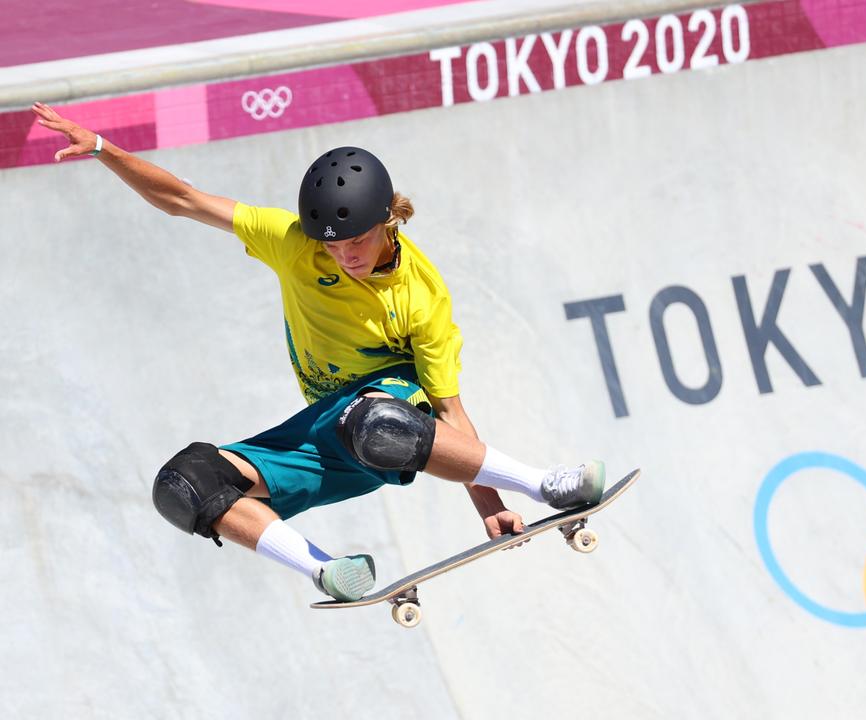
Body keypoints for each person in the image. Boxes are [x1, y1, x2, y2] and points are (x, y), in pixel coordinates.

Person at [32, 101, 606, 602]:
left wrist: (490, 503)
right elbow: (183, 199)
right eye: (334, 247)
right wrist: (104, 148)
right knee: (185, 485)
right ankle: (327, 570)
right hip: (326, 429)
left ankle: (548, 482)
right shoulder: (293, 243)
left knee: (375, 419)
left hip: (394, 416)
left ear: (388, 220)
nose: (347, 256)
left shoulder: (420, 295)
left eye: (358, 241)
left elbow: (450, 409)